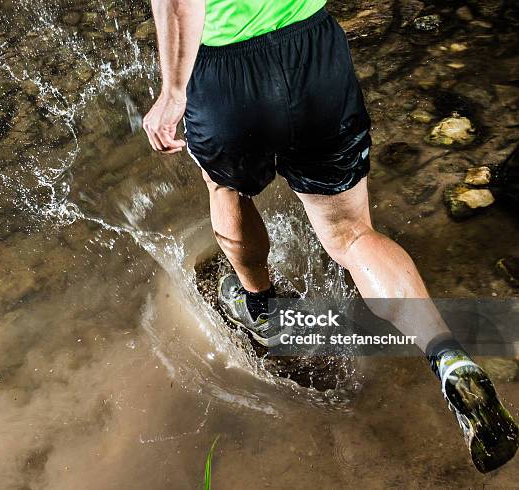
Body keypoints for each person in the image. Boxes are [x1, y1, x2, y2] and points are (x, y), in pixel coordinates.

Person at [142, 0, 518, 473]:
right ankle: (448, 357)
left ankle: (262, 307)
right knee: (352, 234)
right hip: (315, 48)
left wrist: (174, 92)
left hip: (224, 66)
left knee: (228, 188)